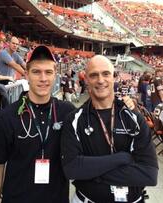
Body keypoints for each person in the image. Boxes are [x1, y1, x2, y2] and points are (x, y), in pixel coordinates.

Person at [61, 55, 158, 203]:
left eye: (106, 74)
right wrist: (122, 158)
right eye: (94, 75)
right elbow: (72, 169)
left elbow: (149, 174)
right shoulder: (74, 120)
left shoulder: (134, 118)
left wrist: (90, 172)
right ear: (86, 80)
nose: (100, 80)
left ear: (114, 77)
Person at [0, 45, 76, 203]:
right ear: (26, 74)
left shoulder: (67, 112)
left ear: (55, 75)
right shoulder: (7, 116)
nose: (43, 78)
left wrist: (125, 105)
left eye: (48, 72)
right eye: (36, 72)